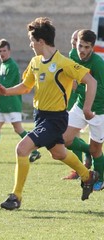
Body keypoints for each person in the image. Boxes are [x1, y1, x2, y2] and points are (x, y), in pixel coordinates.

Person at [0, 17, 98, 210]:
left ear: (41, 41)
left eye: (32, 41)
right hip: (40, 116)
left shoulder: (63, 63)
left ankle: (16, 197)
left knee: (22, 149)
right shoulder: (35, 62)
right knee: (58, 153)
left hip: (55, 118)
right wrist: (6, 91)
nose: (30, 44)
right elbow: (25, 86)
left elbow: (91, 81)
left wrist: (87, 108)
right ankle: (87, 175)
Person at [0, 39, 41, 163]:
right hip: (2, 103)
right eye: (0, 51)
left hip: (12, 102)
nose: (2, 53)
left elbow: (6, 85)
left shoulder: (12, 66)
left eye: (4, 50)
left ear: (9, 51)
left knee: (18, 129)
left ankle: (35, 150)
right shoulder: (2, 65)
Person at [63, 29, 104, 190]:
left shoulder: (98, 64)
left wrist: (78, 86)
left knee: (96, 149)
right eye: (80, 46)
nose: (83, 51)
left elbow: (101, 90)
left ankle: (100, 177)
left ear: (92, 48)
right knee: (64, 139)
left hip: (99, 111)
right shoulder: (73, 55)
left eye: (87, 47)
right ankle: (93, 151)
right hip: (80, 107)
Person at [62, 30, 92, 180]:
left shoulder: (82, 56)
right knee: (72, 136)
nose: (73, 42)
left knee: (71, 136)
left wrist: (77, 87)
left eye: (76, 39)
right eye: (72, 39)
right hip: (72, 98)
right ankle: (82, 164)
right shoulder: (72, 54)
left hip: (82, 99)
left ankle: (82, 165)